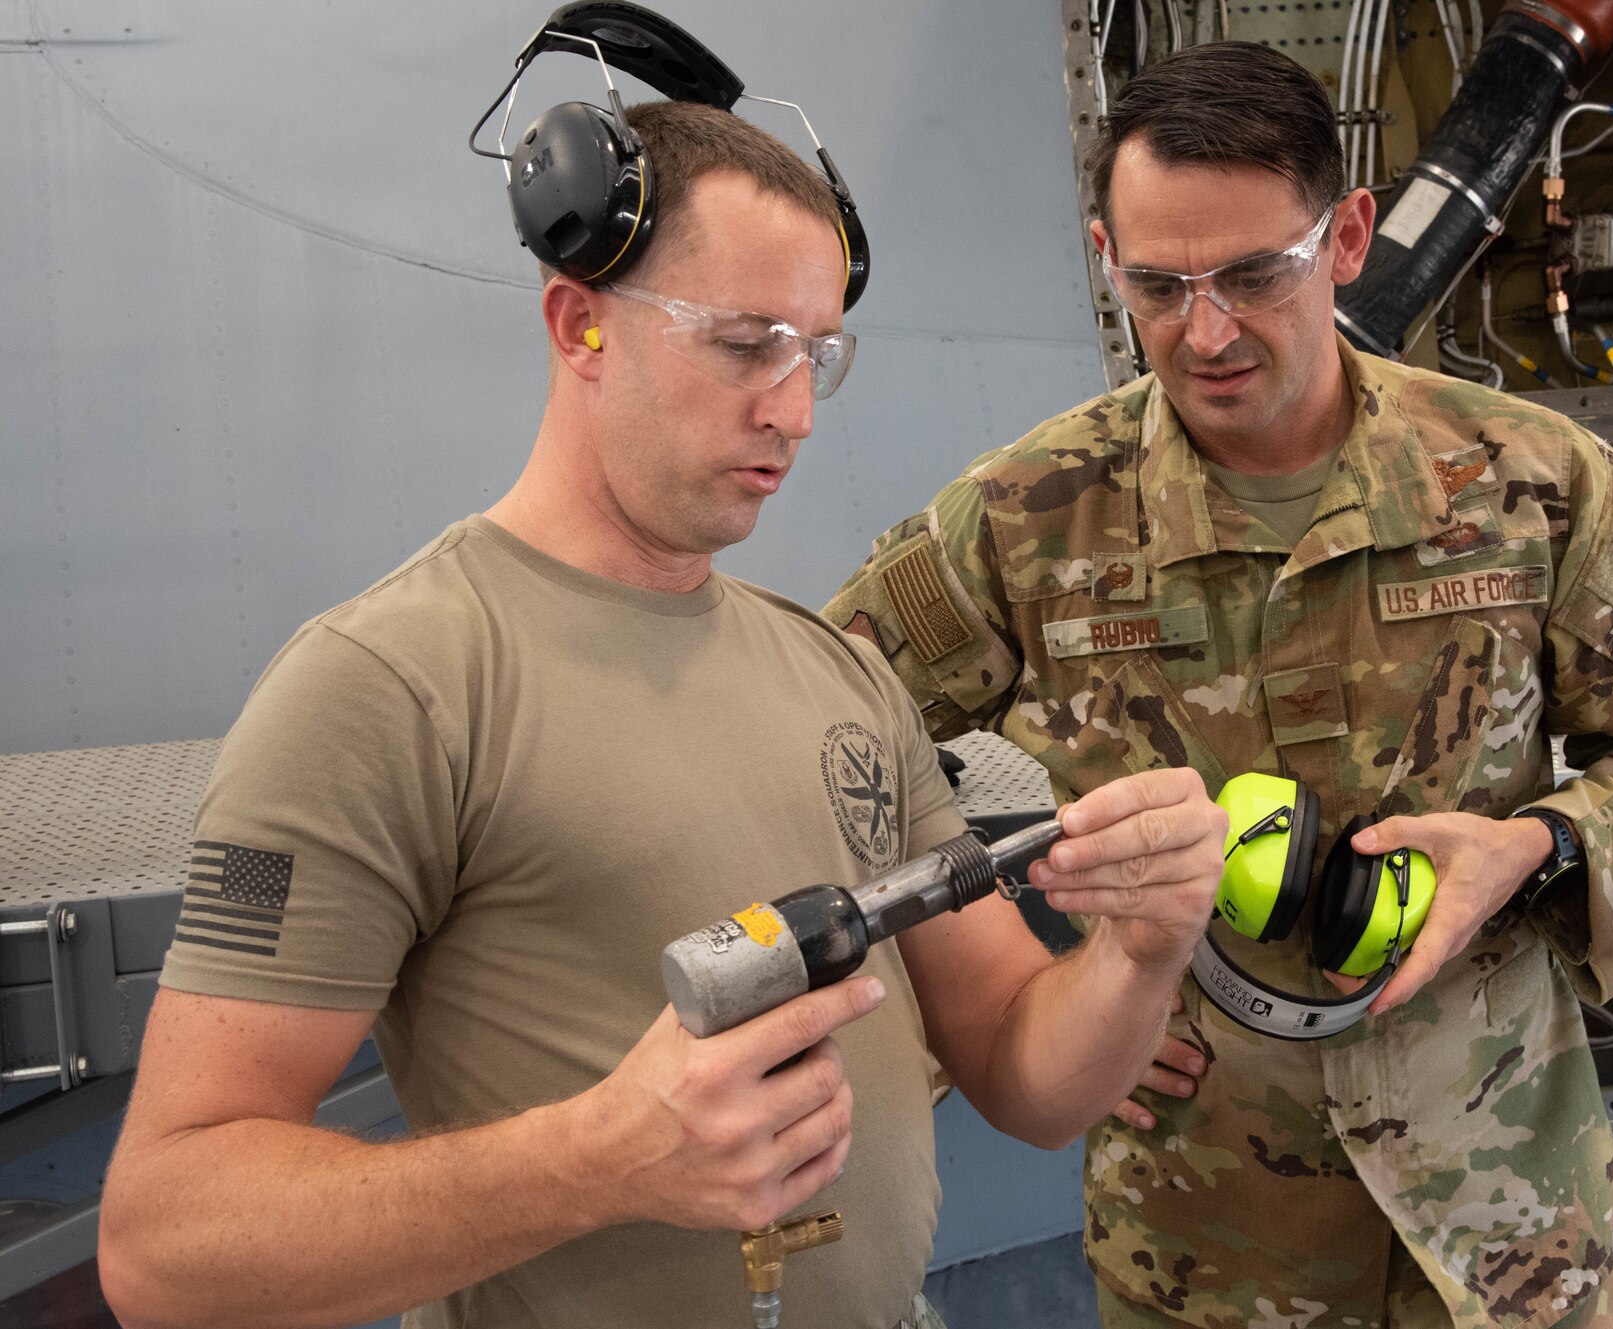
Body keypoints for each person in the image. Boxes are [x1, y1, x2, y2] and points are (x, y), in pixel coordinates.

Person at [96, 97, 1228, 1329]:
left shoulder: (833, 676)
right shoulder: (391, 687)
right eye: (746, 346)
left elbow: (1023, 1069)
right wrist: (596, 1158)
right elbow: (165, 1247)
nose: (793, 410)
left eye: (818, 355)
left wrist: (1141, 946)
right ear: (581, 324)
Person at [826, 41, 1613, 1329]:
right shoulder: (1027, 519)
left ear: (1351, 234)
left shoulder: (1533, 483)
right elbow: (826, 745)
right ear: (1107, 256)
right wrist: (1043, 1000)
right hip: (1203, 1246)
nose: (1204, 333)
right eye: (1156, 285)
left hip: (1501, 1234)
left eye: (1255, 275)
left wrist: (1534, 848)